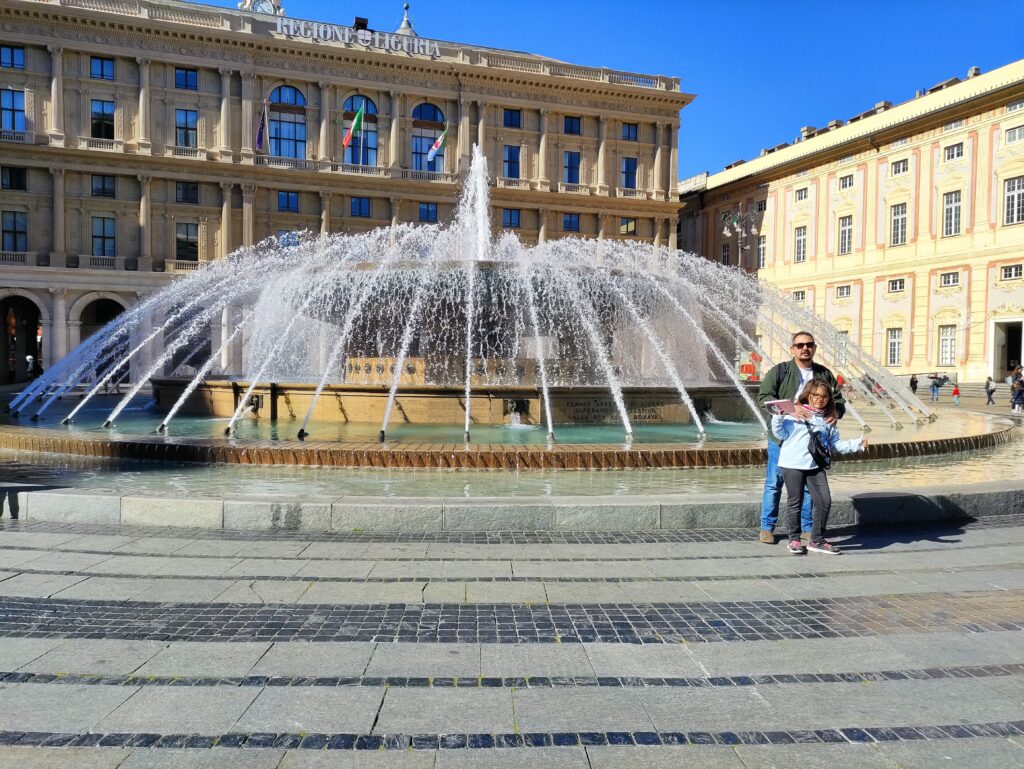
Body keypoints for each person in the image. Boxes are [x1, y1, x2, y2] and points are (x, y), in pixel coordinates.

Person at [756, 331, 846, 544]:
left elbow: (838, 400)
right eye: (800, 345)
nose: (805, 348)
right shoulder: (780, 371)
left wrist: (836, 412)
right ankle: (767, 527)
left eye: (809, 345)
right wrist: (791, 407)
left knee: (807, 485)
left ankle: (807, 527)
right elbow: (765, 397)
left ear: (814, 348)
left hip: (811, 440)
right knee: (774, 482)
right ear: (793, 349)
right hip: (783, 438)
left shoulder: (823, 373)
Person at [771, 380, 867, 555]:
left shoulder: (828, 419)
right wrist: (778, 414)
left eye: (824, 396)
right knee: (795, 502)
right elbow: (780, 433)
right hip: (792, 464)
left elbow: (835, 445)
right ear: (808, 395)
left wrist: (857, 443)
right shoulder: (794, 414)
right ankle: (794, 539)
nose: (819, 399)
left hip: (815, 465)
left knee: (824, 501)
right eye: (815, 395)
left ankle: (816, 540)